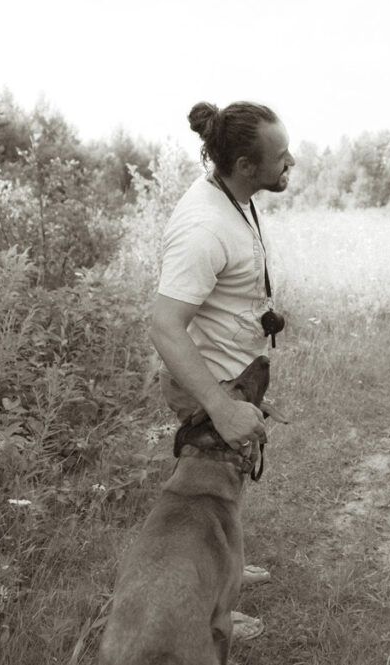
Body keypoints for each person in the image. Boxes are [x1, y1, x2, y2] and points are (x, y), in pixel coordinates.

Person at [149, 100, 295, 640]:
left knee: (228, 496)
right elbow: (165, 325)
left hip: (235, 378)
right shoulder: (203, 226)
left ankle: (228, 571)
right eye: (280, 157)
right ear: (243, 166)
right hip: (211, 387)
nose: (291, 162)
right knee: (202, 509)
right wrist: (221, 407)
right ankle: (215, 611)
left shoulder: (234, 197)